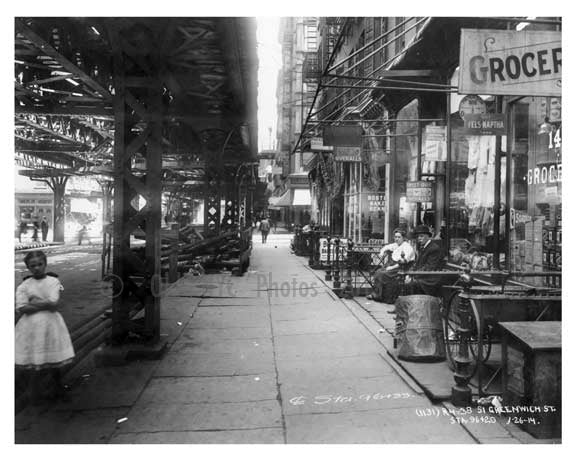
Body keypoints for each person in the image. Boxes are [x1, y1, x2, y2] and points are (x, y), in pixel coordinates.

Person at [15, 251, 75, 403]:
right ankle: (34, 392)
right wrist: (44, 304)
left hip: (51, 324)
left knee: (54, 357)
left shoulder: (54, 281)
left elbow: (54, 301)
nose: (36, 268)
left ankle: (58, 387)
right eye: (32, 265)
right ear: (28, 267)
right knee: (35, 357)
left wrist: (33, 303)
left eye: (40, 264)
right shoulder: (24, 285)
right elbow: (22, 307)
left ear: (45, 264)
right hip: (31, 327)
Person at [367, 228, 416, 304]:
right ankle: (377, 294)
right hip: (393, 264)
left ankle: (380, 296)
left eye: (399, 237)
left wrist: (392, 267)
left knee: (382, 274)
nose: (397, 239)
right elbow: (387, 247)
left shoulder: (407, 247)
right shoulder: (396, 245)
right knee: (378, 272)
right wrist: (382, 252)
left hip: (402, 267)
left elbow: (404, 261)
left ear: (403, 238)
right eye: (395, 237)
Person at [404, 224, 445, 297]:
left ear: (428, 236)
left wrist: (413, 276)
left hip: (431, 278)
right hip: (424, 275)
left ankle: (416, 306)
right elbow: (417, 263)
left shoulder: (434, 248)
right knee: (403, 280)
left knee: (412, 284)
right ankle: (409, 306)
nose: (419, 238)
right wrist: (409, 274)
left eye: (421, 236)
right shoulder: (423, 247)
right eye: (418, 236)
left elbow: (429, 268)